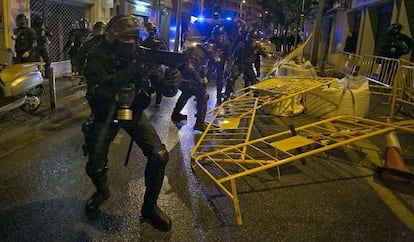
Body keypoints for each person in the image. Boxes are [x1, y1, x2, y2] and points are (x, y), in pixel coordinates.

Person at [82, 15, 180, 232]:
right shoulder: (97, 54)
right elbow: (98, 90)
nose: (133, 44)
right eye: (127, 39)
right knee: (95, 163)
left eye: (135, 38)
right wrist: (130, 71)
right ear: (113, 37)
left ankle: (149, 208)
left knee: (159, 155)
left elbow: (165, 88)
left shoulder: (141, 55)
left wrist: (170, 81)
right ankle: (102, 191)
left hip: (133, 112)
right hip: (106, 113)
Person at [170, 45, 209, 131]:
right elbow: (190, 68)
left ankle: (175, 114)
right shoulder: (196, 53)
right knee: (202, 95)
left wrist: (202, 77)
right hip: (183, 79)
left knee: (186, 94)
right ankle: (199, 123)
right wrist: (200, 80)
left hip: (183, 78)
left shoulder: (195, 52)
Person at [224, 29, 266, 99]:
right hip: (239, 64)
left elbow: (257, 59)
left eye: (255, 39)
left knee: (254, 82)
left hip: (248, 66)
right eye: (252, 39)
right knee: (231, 79)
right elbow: (234, 54)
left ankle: (255, 97)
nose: (253, 41)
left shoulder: (257, 48)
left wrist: (257, 70)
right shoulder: (242, 45)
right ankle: (226, 95)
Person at [141, 22, 169, 108]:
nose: (151, 32)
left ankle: (157, 102)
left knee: (158, 86)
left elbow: (165, 52)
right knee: (148, 86)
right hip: (147, 67)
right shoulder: (145, 42)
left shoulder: (160, 41)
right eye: (149, 30)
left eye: (152, 30)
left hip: (157, 67)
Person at [205, 25, 232, 105]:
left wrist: (228, 67)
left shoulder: (227, 44)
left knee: (220, 80)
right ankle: (201, 94)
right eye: (217, 37)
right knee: (205, 78)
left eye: (220, 37)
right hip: (211, 62)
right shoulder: (210, 41)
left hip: (221, 63)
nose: (219, 39)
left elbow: (229, 57)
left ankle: (219, 97)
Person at [31, 15, 53, 79]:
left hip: (42, 46)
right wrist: (42, 36)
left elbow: (50, 34)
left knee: (47, 61)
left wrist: (44, 29)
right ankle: (38, 77)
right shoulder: (33, 29)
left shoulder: (42, 28)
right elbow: (36, 38)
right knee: (37, 62)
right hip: (36, 47)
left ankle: (47, 75)